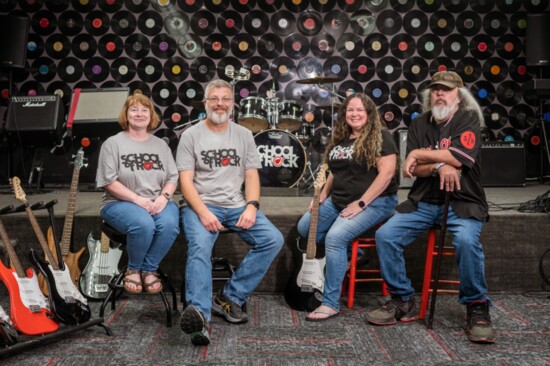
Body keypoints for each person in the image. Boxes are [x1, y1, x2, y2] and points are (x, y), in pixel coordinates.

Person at [366, 71, 495, 343]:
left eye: (446, 90)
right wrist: (439, 165)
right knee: (385, 235)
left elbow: (461, 158)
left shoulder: (468, 118)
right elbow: (415, 171)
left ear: (458, 94)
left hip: (463, 201)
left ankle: (476, 305)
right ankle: (402, 298)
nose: (440, 93)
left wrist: (417, 153)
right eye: (435, 89)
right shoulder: (419, 124)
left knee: (466, 241)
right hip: (424, 201)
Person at [176, 79, 284, 346]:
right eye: (214, 98)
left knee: (273, 239)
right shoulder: (190, 136)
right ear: (205, 103)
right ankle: (199, 317)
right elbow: (185, 182)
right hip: (200, 205)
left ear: (233, 104)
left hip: (236, 205)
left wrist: (251, 205)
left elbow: (251, 175)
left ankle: (229, 297)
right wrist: (202, 212)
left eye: (225, 98)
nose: (220, 103)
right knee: (200, 247)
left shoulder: (244, 135)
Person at [297, 93, 399, 321]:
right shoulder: (342, 139)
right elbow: (336, 171)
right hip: (339, 199)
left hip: (376, 201)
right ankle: (357, 254)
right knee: (306, 228)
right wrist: (322, 195)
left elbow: (387, 174)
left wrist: (362, 203)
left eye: (360, 110)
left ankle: (330, 303)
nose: (354, 114)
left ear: (369, 114)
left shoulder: (381, 136)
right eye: (350, 110)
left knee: (334, 238)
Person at [96, 92, 179, 295]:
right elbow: (108, 181)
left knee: (169, 224)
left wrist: (164, 197)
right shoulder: (112, 144)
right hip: (119, 203)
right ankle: (133, 269)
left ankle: (148, 270)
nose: (139, 114)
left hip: (156, 201)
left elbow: (172, 178)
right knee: (143, 224)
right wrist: (137, 199)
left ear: (151, 116)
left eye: (144, 110)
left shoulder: (161, 145)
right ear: (126, 114)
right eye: (134, 109)